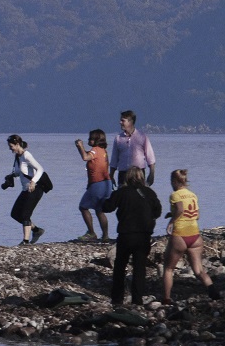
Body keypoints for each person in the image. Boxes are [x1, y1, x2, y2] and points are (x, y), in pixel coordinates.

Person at [102, 167, 162, 305]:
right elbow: (158, 211)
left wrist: (102, 199)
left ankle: (117, 299)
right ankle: (137, 299)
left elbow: (107, 207)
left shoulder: (122, 192)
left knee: (120, 267)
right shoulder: (149, 193)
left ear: (126, 178)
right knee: (139, 268)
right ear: (142, 177)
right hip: (143, 235)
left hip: (126, 234)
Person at [161, 169, 220, 303]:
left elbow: (181, 209)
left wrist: (171, 222)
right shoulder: (193, 195)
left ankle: (166, 299)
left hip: (180, 235)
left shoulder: (175, 195)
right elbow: (196, 215)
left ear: (175, 181)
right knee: (199, 270)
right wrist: (173, 213)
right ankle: (213, 291)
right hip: (195, 235)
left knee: (169, 269)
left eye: (171, 181)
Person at [4, 134, 47, 245]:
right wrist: (11, 176)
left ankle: (25, 241)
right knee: (15, 214)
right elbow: (21, 171)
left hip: (35, 189)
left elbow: (40, 169)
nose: (10, 148)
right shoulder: (18, 157)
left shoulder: (26, 155)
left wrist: (33, 182)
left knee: (25, 215)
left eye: (11, 146)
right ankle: (37, 231)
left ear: (17, 144)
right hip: (25, 189)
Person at [75, 129, 112, 240]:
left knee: (83, 207)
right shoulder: (103, 151)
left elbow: (85, 157)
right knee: (99, 210)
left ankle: (91, 233)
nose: (88, 140)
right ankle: (105, 236)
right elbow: (87, 155)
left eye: (90, 138)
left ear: (96, 139)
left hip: (98, 184)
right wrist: (79, 148)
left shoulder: (95, 150)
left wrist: (80, 146)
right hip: (106, 183)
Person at [109, 109, 157, 187]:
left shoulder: (142, 137)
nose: (120, 122)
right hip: (123, 174)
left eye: (122, 120)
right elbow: (114, 159)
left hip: (138, 175)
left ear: (130, 122)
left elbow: (150, 158)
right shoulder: (118, 138)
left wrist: (152, 174)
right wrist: (111, 175)